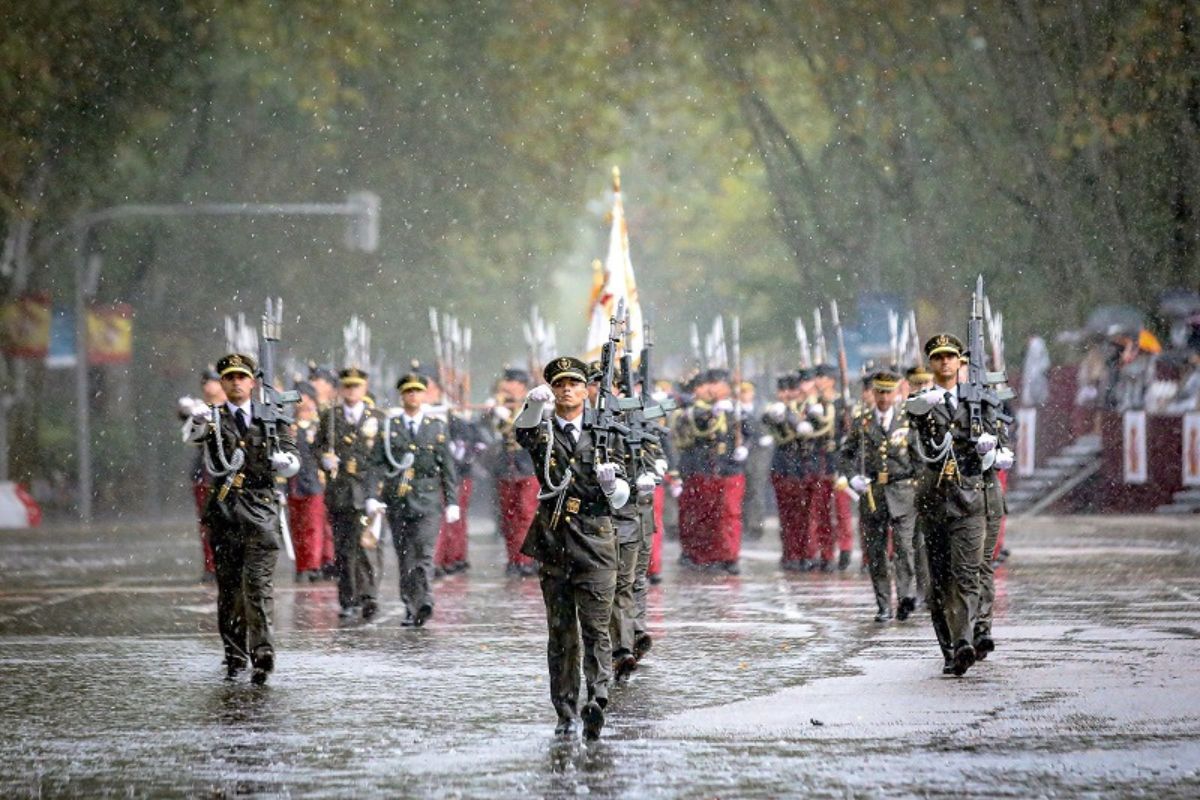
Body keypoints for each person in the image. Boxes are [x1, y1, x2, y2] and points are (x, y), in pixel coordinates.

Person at [515, 356, 630, 740]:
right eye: (559, 383)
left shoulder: (606, 431)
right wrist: (532, 404)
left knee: (596, 628)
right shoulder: (543, 430)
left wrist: (613, 486)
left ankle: (597, 699)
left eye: (574, 384)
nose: (567, 389)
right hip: (554, 541)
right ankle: (565, 711)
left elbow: (623, 494)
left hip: (596, 541)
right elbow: (523, 432)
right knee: (562, 633)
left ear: (586, 389)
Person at [184, 353, 299, 684]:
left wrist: (285, 461)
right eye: (230, 377)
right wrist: (196, 419)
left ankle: (263, 653)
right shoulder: (214, 418)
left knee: (259, 587)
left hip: (261, 511)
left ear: (252, 382)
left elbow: (294, 458)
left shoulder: (272, 418)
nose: (236, 382)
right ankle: (234, 654)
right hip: (224, 513)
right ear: (222, 383)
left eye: (242, 377)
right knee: (231, 589)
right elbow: (192, 435)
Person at [907, 334, 1010, 677]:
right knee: (939, 582)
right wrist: (928, 407)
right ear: (931, 364)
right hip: (935, 500)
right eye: (938, 358)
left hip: (970, 499)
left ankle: (966, 640)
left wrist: (988, 451)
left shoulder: (979, 401)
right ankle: (950, 648)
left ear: (959, 361)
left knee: (968, 573)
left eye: (951, 357)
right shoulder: (922, 401)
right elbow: (923, 446)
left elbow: (1000, 443)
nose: (946, 363)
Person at [366, 371, 459, 627]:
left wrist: (452, 501)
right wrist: (372, 496)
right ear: (402, 395)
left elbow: (448, 467)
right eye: (408, 391)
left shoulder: (436, 427)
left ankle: (425, 601)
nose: (413, 396)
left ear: (424, 395)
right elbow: (375, 464)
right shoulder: (390, 428)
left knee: (424, 554)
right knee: (405, 556)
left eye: (417, 391)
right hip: (398, 499)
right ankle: (410, 604)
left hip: (428, 500)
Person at [839, 370, 918, 622]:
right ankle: (883, 603)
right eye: (879, 392)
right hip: (873, 493)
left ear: (897, 393)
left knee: (905, 548)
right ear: (873, 393)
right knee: (877, 551)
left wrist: (919, 484)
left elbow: (919, 455)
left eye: (888, 392)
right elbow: (846, 453)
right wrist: (852, 477)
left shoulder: (907, 420)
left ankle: (906, 597)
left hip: (903, 491)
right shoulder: (862, 421)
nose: (884, 397)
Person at [317, 366, 386, 620]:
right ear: (341, 389)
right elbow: (318, 447)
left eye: (356, 386)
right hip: (341, 491)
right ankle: (348, 598)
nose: (352, 390)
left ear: (364, 388)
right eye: (347, 386)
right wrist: (324, 459)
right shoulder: (330, 417)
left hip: (368, 488)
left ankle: (369, 596)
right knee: (344, 549)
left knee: (367, 545)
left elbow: (386, 454)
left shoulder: (377, 416)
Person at [486, 368, 541, 577]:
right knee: (508, 517)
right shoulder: (499, 404)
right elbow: (494, 432)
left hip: (528, 464)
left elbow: (524, 428)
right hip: (505, 466)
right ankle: (514, 559)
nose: (506, 385)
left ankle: (527, 559)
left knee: (526, 514)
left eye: (510, 381)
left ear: (520, 384)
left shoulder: (534, 403)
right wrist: (495, 412)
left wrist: (507, 414)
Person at [178, 367, 225, 582]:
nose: (208, 386)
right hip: (205, 473)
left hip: (228, 473)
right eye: (205, 382)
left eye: (213, 381)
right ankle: (211, 565)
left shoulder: (232, 408)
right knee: (208, 522)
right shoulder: (200, 408)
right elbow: (189, 431)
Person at [288, 381, 328, 582]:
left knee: (313, 525)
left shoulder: (319, 425)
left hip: (314, 481)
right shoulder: (288, 426)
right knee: (296, 526)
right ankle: (301, 563)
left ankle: (312, 564)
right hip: (294, 482)